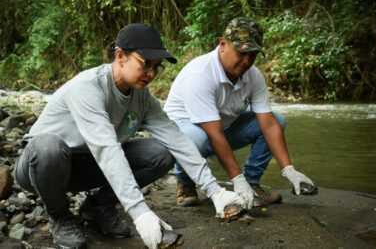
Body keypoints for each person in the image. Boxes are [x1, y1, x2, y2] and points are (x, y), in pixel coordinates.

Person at [13, 23, 244, 249]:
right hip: (41, 167)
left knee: (161, 153)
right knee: (48, 145)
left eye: (157, 67)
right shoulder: (88, 87)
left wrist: (215, 191)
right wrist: (140, 213)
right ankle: (60, 217)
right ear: (121, 56)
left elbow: (176, 139)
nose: (152, 73)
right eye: (146, 65)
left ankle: (97, 207)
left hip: (87, 166)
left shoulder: (142, 97)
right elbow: (107, 148)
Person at [163, 17, 315, 209]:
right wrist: (236, 179)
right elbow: (214, 133)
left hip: (221, 127)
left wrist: (289, 169)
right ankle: (185, 181)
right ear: (223, 44)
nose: (246, 61)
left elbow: (268, 123)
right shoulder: (200, 75)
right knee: (197, 138)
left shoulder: (253, 76)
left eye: (252, 55)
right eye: (241, 52)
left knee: (277, 119)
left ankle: (252, 182)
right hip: (186, 134)